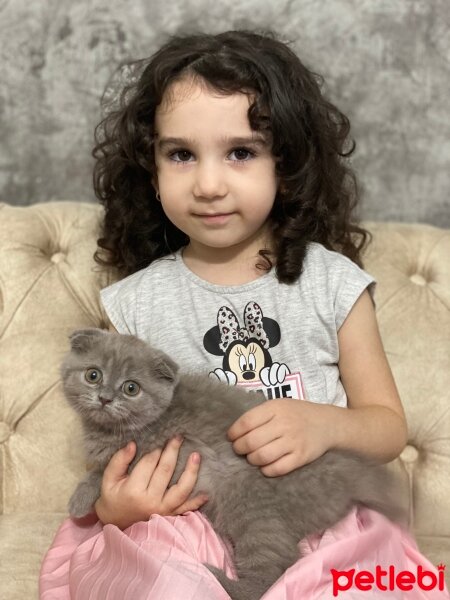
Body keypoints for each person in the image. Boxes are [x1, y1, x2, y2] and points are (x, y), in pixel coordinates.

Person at [40, 29, 449, 599]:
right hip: (189, 517)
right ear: (150, 167)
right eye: (181, 154)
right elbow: (118, 438)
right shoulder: (138, 301)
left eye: (241, 152)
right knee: (152, 574)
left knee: (365, 582)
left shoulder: (330, 283)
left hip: (316, 513)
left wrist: (324, 424)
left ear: (287, 163)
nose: (209, 184)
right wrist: (117, 505)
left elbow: (386, 427)